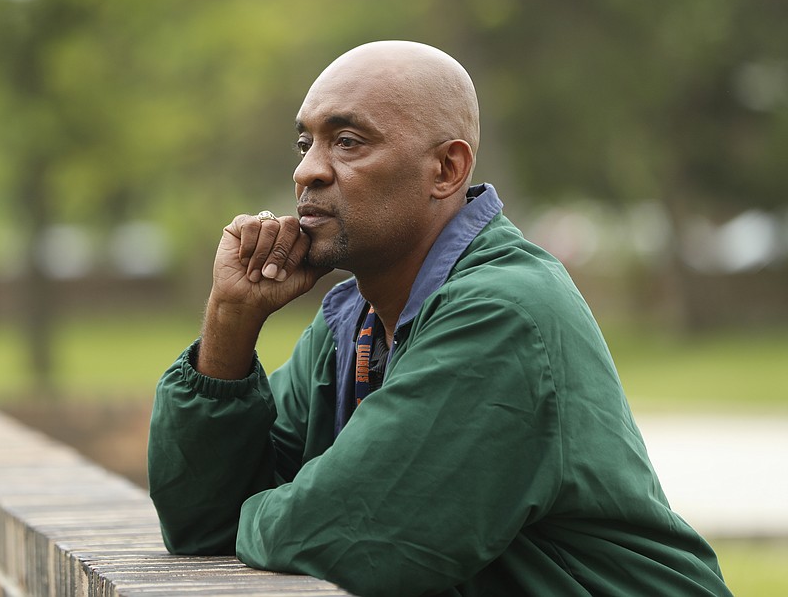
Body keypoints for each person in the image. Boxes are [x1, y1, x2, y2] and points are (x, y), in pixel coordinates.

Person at [147, 41, 730, 596]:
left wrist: (255, 508)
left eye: (347, 142)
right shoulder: (352, 322)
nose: (308, 172)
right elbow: (199, 526)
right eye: (306, 144)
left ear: (447, 170)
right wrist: (230, 317)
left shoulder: (503, 313)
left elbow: (352, 536)